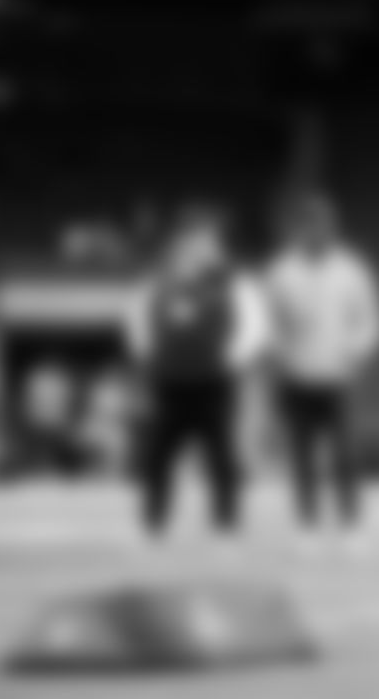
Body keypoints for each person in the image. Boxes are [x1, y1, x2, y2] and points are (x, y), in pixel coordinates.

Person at [125, 204, 269, 544]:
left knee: (221, 454)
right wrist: (150, 357)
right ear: (179, 246)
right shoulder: (158, 284)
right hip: (170, 382)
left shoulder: (233, 285)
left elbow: (254, 326)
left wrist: (232, 360)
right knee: (159, 454)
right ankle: (153, 521)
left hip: (214, 382)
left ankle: (226, 522)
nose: (198, 250)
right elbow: (137, 321)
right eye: (191, 243)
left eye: (206, 243)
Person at [262, 195, 379, 555]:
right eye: (310, 225)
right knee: (301, 456)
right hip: (296, 376)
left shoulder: (352, 270)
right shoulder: (281, 271)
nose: (318, 231)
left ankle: (352, 526)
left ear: (333, 228)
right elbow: (270, 322)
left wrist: (356, 353)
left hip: (339, 377)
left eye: (325, 225)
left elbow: (369, 320)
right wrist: (279, 354)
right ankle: (307, 526)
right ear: (299, 230)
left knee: (345, 454)